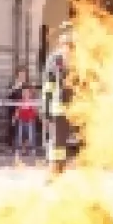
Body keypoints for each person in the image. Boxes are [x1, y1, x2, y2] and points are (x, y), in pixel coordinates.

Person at [42, 21, 76, 175]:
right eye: (66, 33)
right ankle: (56, 170)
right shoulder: (55, 59)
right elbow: (48, 85)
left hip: (80, 108)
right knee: (58, 143)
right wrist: (46, 107)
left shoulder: (82, 57)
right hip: (60, 107)